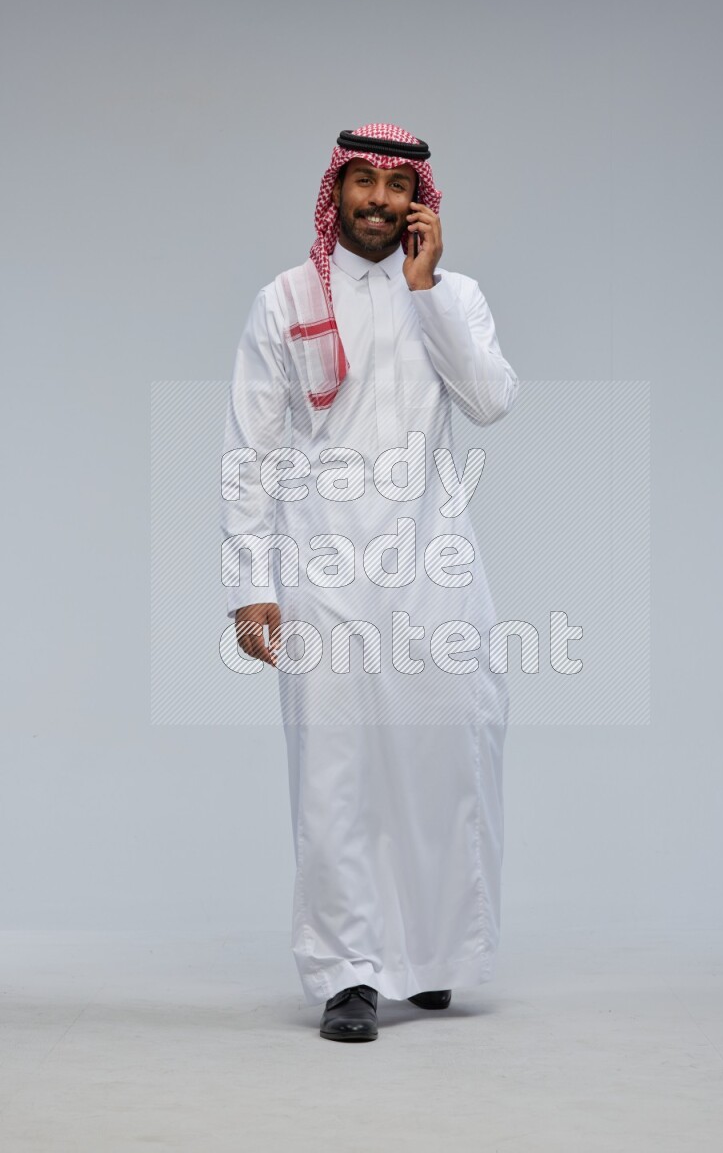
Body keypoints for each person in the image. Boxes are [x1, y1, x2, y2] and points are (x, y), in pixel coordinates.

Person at [220, 123, 519, 1041]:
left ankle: (432, 959)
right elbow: (250, 451)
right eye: (364, 182)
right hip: (325, 568)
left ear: (419, 198)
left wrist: (425, 294)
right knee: (337, 773)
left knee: (444, 761)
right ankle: (348, 971)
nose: (381, 201)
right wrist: (249, 582)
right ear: (336, 189)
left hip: (434, 566)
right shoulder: (286, 299)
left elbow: (490, 400)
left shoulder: (454, 296)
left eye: (398, 186)